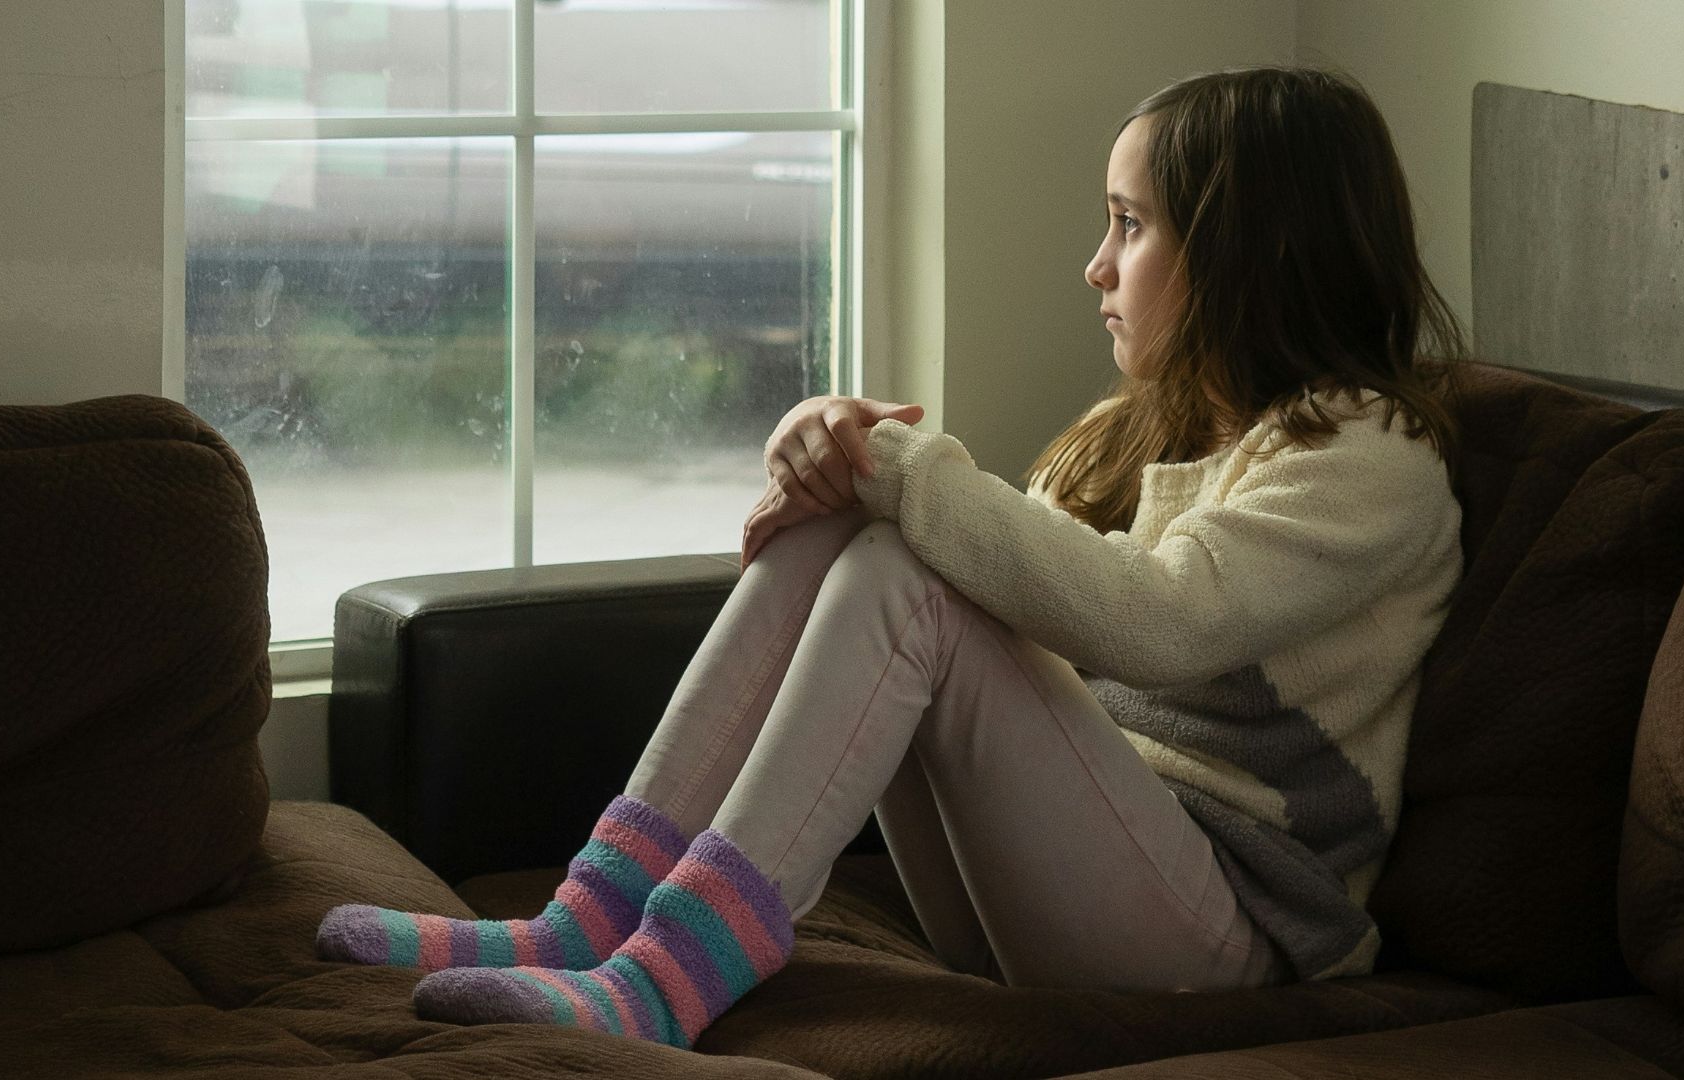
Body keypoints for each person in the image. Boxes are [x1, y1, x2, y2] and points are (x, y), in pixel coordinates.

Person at [314, 65, 1466, 1050]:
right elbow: (996, 578)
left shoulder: (1371, 460)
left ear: (1244, 255)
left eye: (1130, 224)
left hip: (1234, 938)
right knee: (873, 533)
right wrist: (826, 453)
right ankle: (587, 921)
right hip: (1060, 893)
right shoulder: (1138, 430)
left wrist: (898, 469)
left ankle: (666, 983)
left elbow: (1157, 624)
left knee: (907, 557)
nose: (1096, 267)